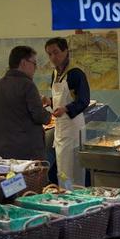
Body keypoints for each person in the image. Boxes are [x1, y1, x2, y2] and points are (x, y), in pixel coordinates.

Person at [0, 46, 51, 160]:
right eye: (34, 63)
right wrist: (48, 112)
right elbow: (40, 116)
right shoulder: (27, 85)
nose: (35, 68)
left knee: (8, 178)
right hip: (27, 155)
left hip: (1, 152)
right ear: (24, 63)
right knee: (29, 178)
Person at [42, 37, 90, 189]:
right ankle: (64, 193)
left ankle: (78, 198)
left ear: (65, 51)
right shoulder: (55, 73)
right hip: (60, 130)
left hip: (73, 130)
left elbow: (83, 100)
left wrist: (66, 109)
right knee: (62, 170)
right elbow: (59, 99)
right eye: (49, 54)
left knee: (74, 170)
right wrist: (49, 101)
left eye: (56, 52)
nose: (53, 57)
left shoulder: (76, 73)